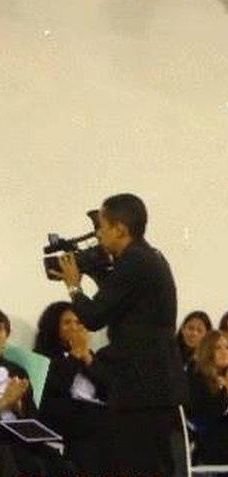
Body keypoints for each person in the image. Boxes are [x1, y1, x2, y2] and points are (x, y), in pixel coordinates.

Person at [55, 193, 188, 476]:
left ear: (120, 228)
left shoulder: (135, 262)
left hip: (143, 388)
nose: (98, 235)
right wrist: (96, 273)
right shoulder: (145, 258)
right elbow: (117, 301)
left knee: (141, 466)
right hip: (150, 385)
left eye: (101, 226)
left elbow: (93, 317)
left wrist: (73, 286)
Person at [0, 308, 71, 476]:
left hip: (20, 438)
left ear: (7, 334)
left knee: (61, 464)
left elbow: (34, 415)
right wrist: (3, 404)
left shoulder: (18, 371)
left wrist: (20, 408)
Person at [34, 301, 110, 476]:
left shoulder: (91, 356)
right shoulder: (42, 357)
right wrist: (75, 355)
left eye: (78, 323)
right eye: (67, 323)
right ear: (54, 327)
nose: (74, 328)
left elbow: (109, 390)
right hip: (66, 421)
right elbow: (56, 387)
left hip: (96, 420)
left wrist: (87, 359)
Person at [186, 330, 228, 465]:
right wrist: (224, 390)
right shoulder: (197, 378)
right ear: (208, 351)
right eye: (218, 347)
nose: (224, 352)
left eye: (227, 347)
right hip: (209, 447)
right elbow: (208, 416)